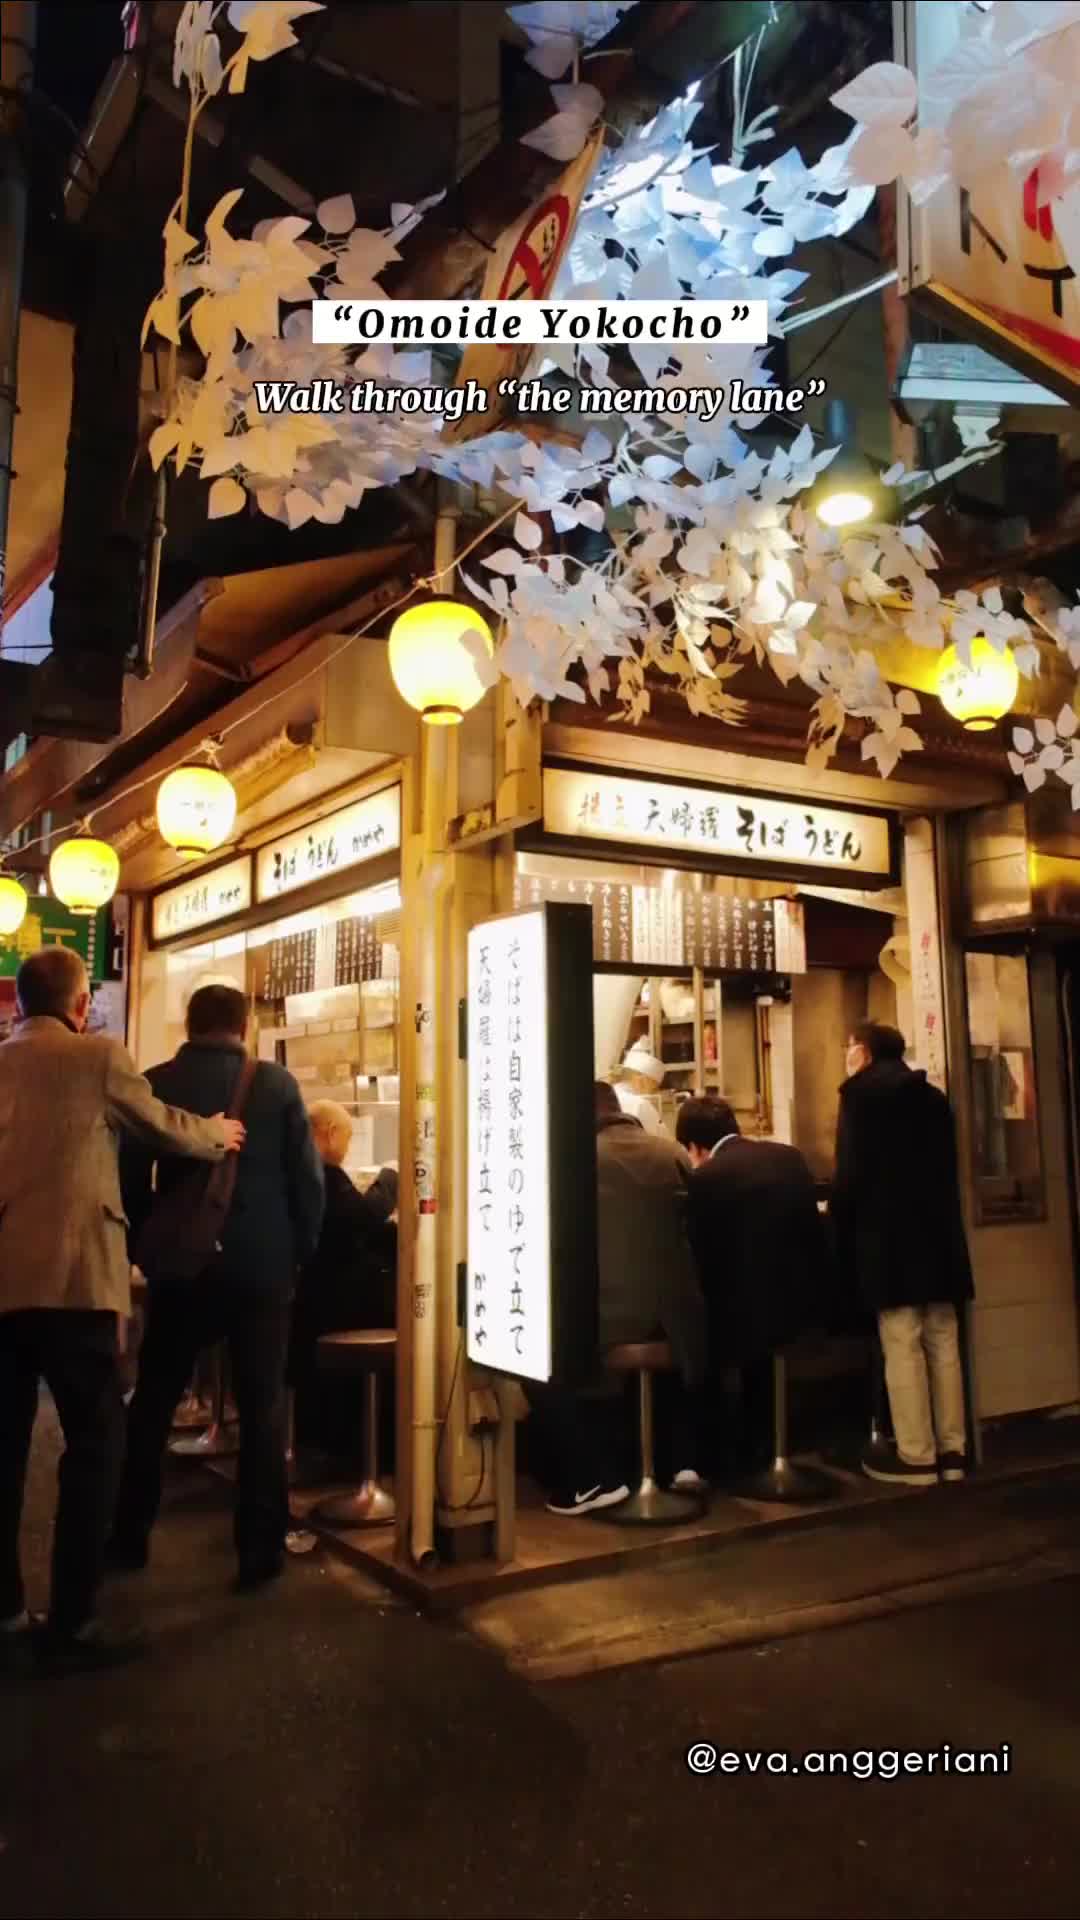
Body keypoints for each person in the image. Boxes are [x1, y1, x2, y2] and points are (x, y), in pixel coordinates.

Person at [0, 948, 242, 1668]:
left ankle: (7, 1606)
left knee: (4, 1448)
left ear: (18, 1005)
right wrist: (218, 1134)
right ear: (81, 1006)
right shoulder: (97, 1059)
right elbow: (161, 1124)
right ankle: (72, 1617)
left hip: (5, 1285)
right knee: (96, 1442)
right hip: (76, 1280)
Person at [111, 984, 325, 1589]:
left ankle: (129, 1534)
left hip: (182, 1269)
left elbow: (127, 1179)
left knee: (153, 1399)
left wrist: (147, 1243)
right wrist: (296, 1253)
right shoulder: (277, 1085)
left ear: (189, 1023)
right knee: (262, 1408)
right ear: (245, 1024)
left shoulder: (153, 1082)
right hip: (262, 1269)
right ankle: (259, 1552)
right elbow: (307, 1182)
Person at [529, 1081, 706, 1516]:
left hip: (611, 1319)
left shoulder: (572, 1162)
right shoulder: (674, 1153)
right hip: (680, 1320)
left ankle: (590, 1479)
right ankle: (680, 1463)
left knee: (532, 1356)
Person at [832, 1021, 973, 1488]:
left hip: (888, 1237)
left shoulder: (860, 1096)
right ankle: (954, 1450)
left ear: (866, 1052)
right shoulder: (933, 1097)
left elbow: (850, 1174)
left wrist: (841, 1225)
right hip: (938, 1235)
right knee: (943, 1337)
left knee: (902, 1340)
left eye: (851, 1046)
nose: (848, 1053)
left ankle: (916, 1456)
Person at [675, 1096, 828, 1476]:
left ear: (695, 1147)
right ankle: (767, 1446)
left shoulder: (707, 1178)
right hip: (807, 1307)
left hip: (745, 1321)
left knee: (699, 1328)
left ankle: (719, 1459)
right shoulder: (789, 1157)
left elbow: (701, 1254)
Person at [289, 1102, 397, 1454]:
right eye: (347, 1138)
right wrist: (390, 1178)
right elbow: (361, 1217)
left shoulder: (296, 1167)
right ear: (332, 1133)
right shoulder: (324, 1173)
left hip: (305, 1301)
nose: (348, 1148)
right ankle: (370, 1448)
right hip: (333, 1305)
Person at [615, 1044, 667, 1135]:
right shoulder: (640, 1105)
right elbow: (660, 1140)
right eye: (653, 1086)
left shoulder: (607, 1096)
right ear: (642, 1079)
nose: (652, 1091)